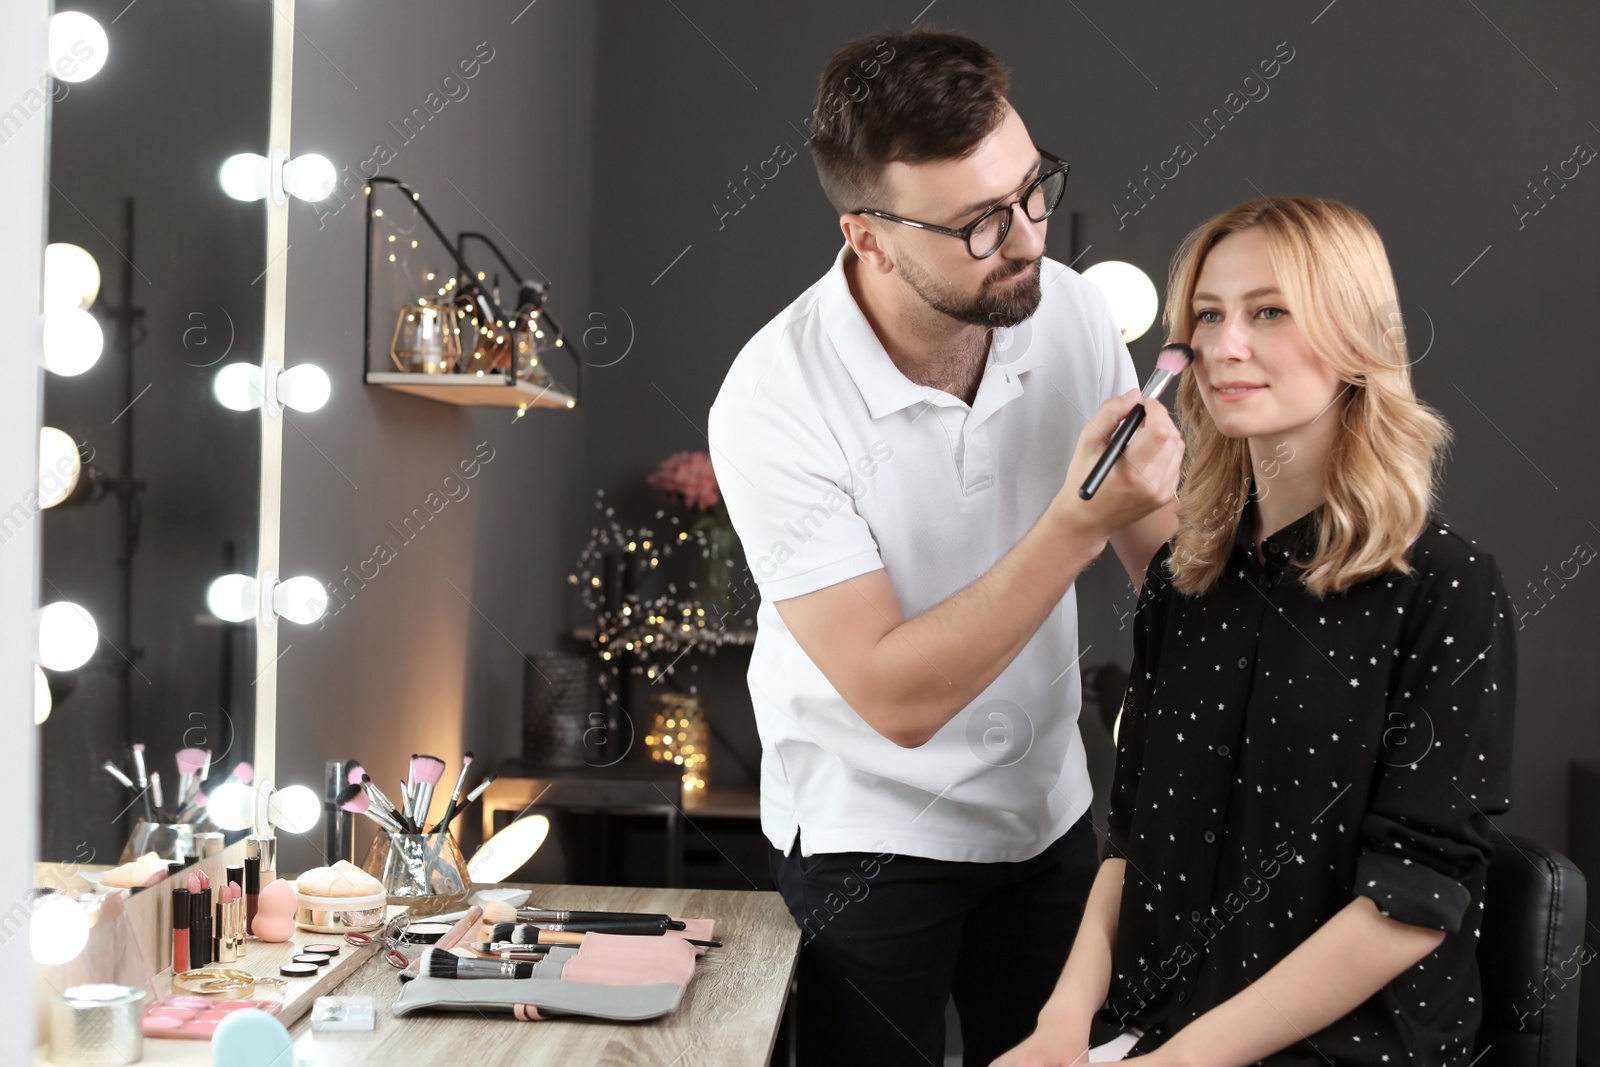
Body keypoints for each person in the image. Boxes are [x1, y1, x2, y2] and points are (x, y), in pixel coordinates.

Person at [706, 27, 1185, 1066]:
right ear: (868, 236)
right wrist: (1073, 524)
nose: (1025, 240)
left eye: (1031, 191)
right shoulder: (772, 400)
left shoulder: (1063, 312)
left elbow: (1167, 569)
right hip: (864, 831)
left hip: (1048, 807)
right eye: (976, 223)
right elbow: (896, 697)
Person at [994, 197, 1516, 1066]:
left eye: (1269, 311)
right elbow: (1130, 844)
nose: (1224, 345)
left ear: (1355, 336)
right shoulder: (1182, 578)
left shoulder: (1447, 588)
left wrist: (1176, 1062)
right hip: (1154, 1031)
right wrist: (1060, 1026)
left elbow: (1412, 899)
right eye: (1207, 315)